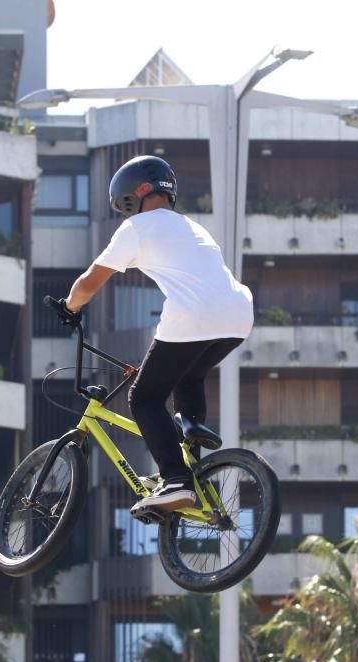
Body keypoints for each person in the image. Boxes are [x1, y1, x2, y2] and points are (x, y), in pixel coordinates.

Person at [63, 155, 254, 513]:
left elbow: (89, 283)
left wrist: (70, 306)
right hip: (238, 315)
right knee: (189, 376)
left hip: (194, 315)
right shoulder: (193, 227)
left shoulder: (137, 228)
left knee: (145, 398)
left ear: (133, 195)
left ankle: (176, 480)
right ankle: (191, 450)